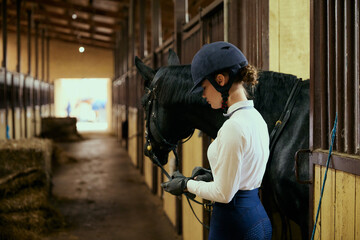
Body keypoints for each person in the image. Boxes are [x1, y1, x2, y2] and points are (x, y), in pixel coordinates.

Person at [161, 41, 272, 240]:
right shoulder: (256, 118)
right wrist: (213, 175)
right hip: (256, 218)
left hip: (233, 223)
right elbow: (243, 173)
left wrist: (186, 184)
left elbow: (224, 193)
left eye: (204, 87)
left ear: (220, 80)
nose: (203, 95)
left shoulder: (233, 127)